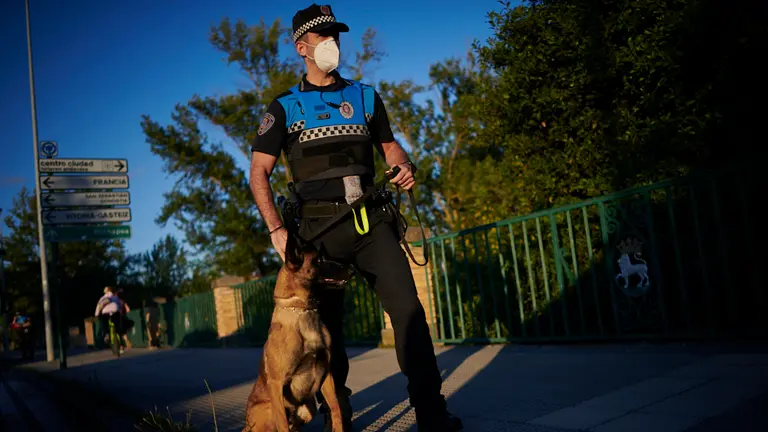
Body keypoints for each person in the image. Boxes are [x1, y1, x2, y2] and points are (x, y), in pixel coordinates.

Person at [248, 4, 463, 431]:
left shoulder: (365, 96)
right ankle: (340, 419)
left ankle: (431, 414)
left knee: (408, 312)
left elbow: (390, 147)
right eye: (323, 36)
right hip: (317, 234)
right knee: (329, 334)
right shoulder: (284, 107)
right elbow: (258, 172)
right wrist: (275, 228)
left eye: (336, 35)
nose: (333, 43)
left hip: (371, 222)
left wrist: (404, 165)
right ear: (302, 47)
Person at [94, 286, 125, 354]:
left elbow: (98, 307)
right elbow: (120, 306)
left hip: (106, 313)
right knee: (118, 328)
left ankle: (106, 334)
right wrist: (119, 311)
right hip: (115, 312)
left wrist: (96, 315)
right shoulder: (115, 297)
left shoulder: (102, 298)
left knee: (104, 324)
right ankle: (121, 345)